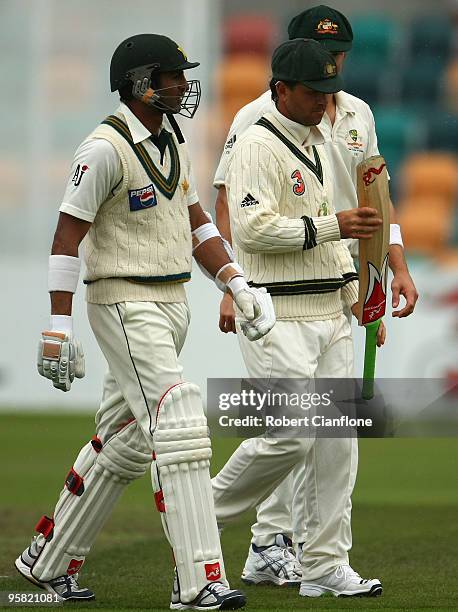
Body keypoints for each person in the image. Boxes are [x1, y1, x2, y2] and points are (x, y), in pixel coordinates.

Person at [14, 33, 275, 610]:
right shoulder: (102, 148)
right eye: (173, 76)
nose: (184, 87)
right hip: (123, 302)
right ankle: (200, 579)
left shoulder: (170, 141)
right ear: (140, 82)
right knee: (178, 420)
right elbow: (67, 235)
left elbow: (197, 223)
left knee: (125, 443)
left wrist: (235, 279)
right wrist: (58, 321)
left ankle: (46, 559)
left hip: (171, 301)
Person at [212, 4, 418, 594]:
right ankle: (249, 533)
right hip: (274, 293)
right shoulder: (257, 118)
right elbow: (230, 203)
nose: (330, 68)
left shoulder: (357, 112)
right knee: (291, 426)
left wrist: (388, 271)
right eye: (317, 56)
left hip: (333, 289)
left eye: (338, 56)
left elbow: (374, 197)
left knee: (333, 438)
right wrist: (231, 282)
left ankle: (318, 561)